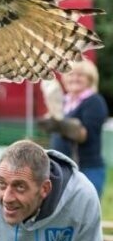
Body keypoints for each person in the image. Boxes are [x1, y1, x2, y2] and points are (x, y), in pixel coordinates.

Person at [40, 59, 109, 197]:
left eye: (80, 75)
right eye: (70, 74)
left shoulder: (94, 101)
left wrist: (61, 125)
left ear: (90, 79)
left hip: (86, 169)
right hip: (61, 168)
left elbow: (84, 135)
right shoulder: (63, 101)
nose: (74, 78)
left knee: (85, 214)